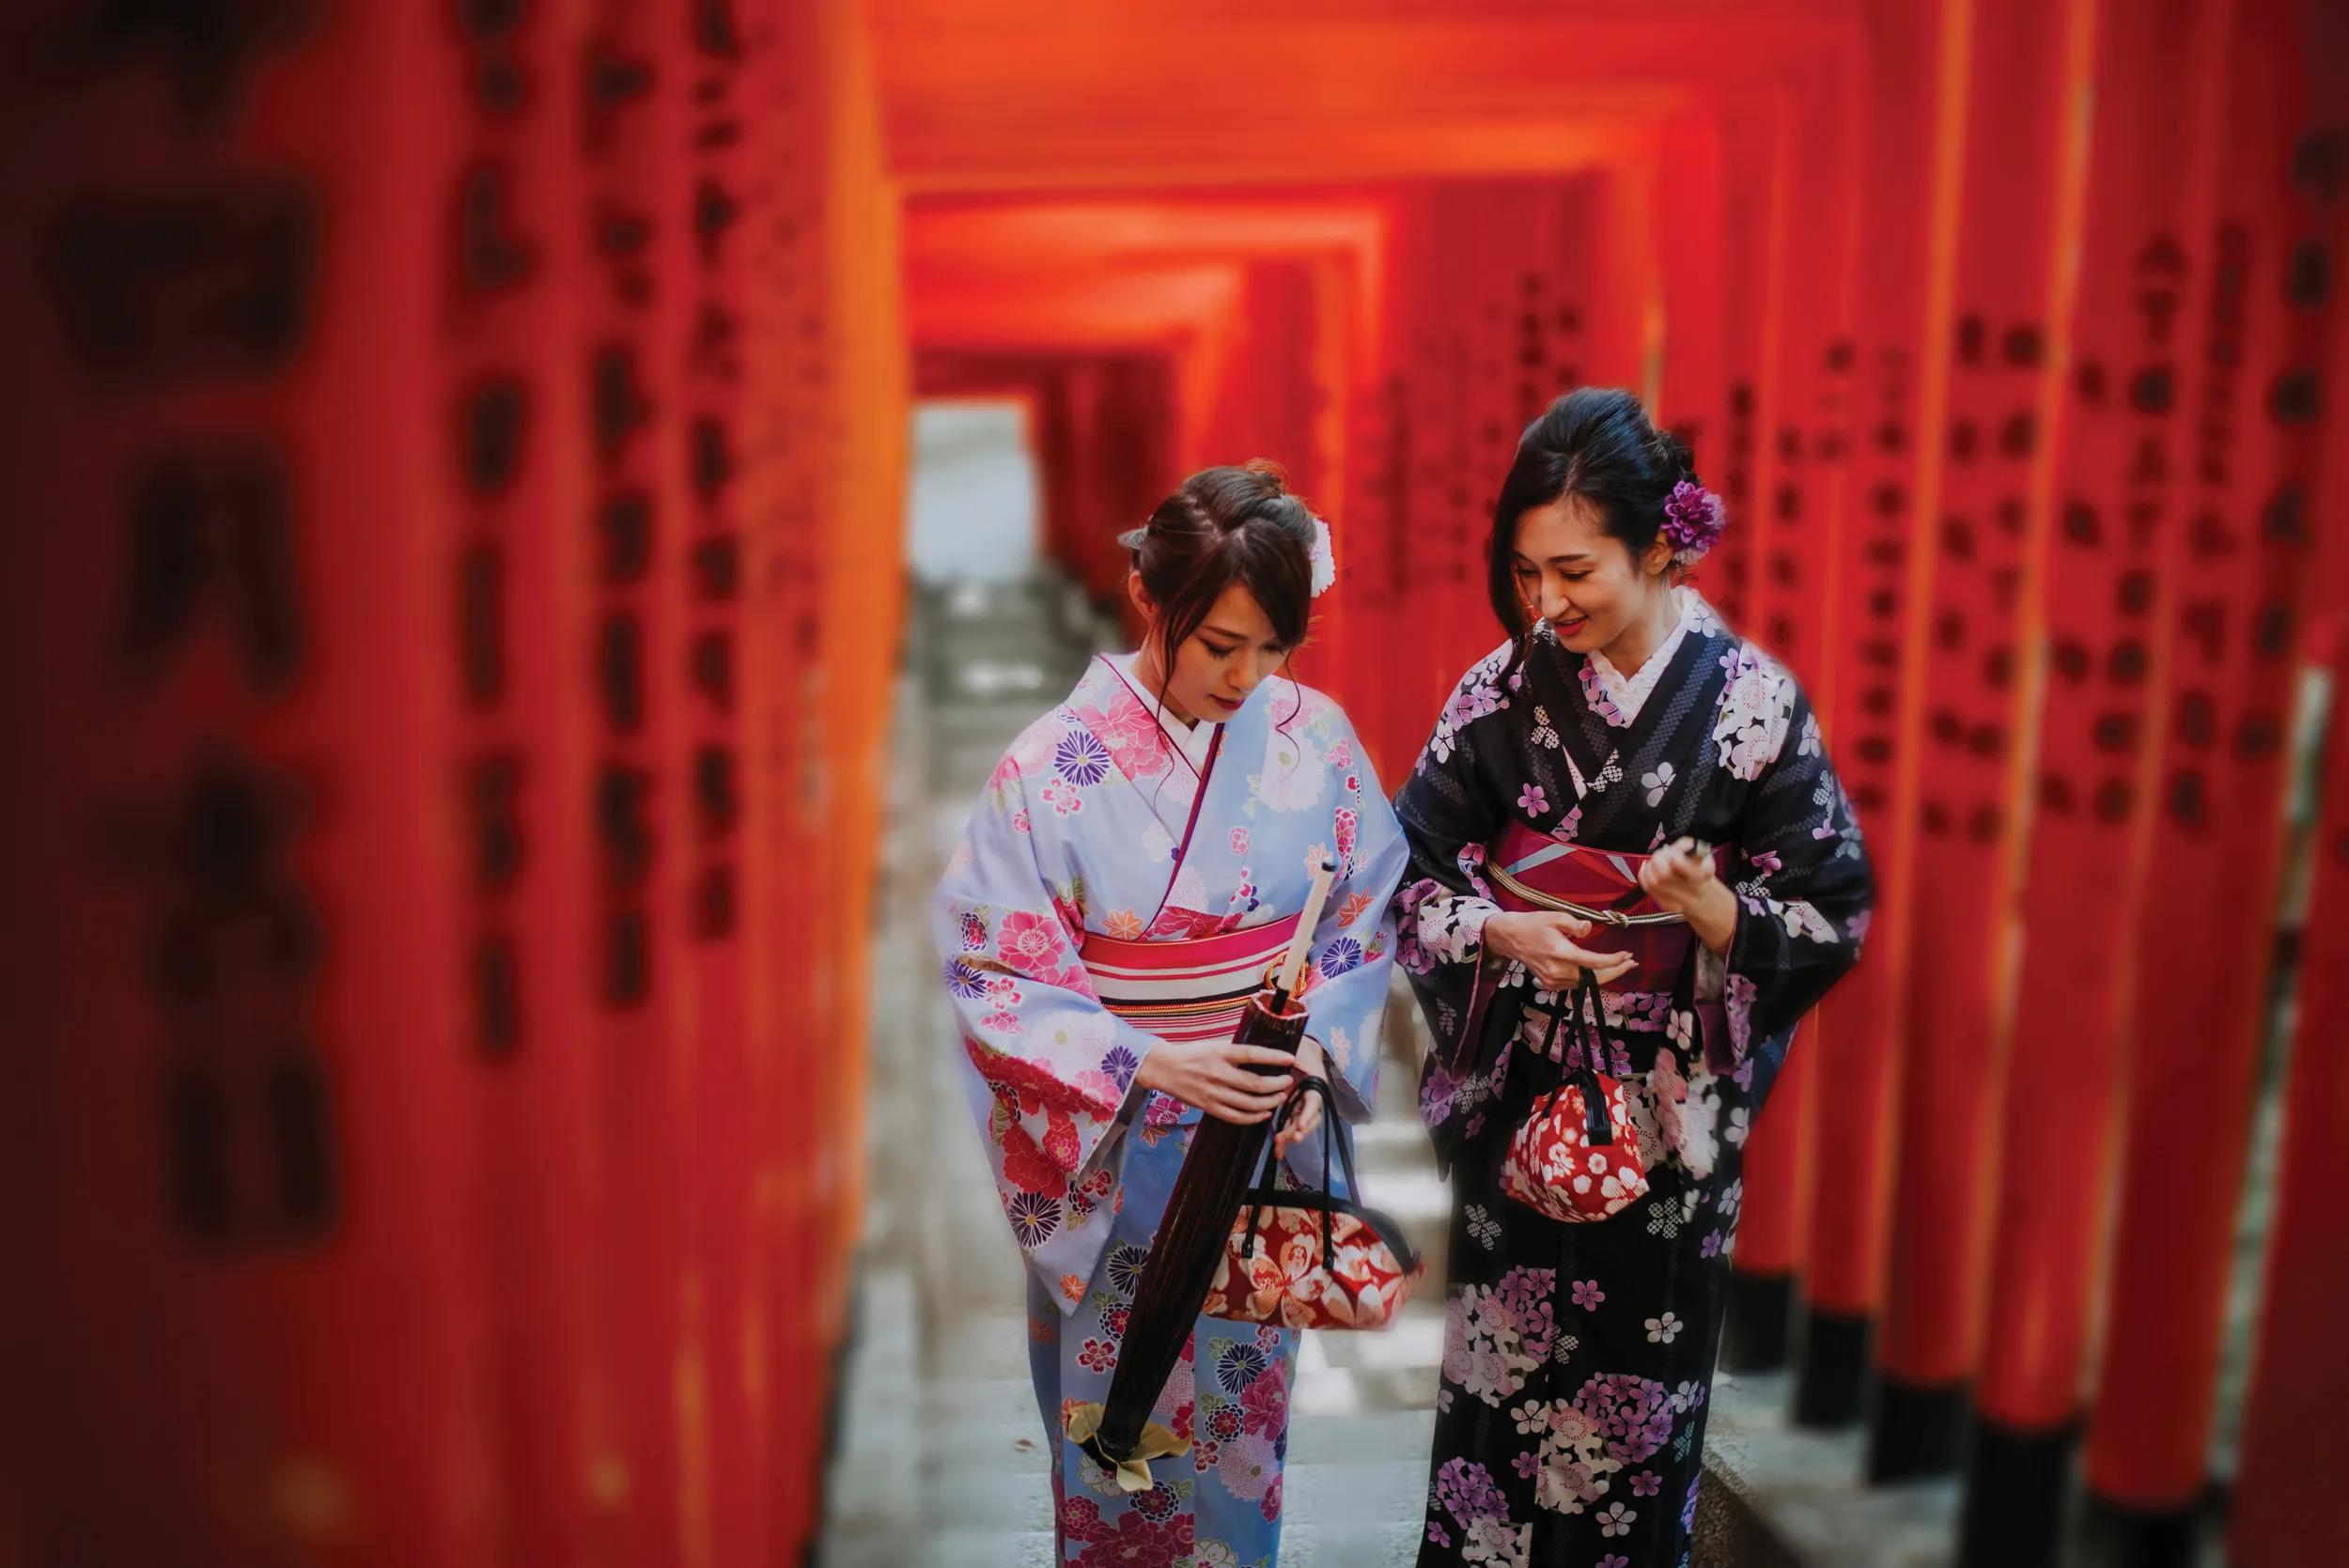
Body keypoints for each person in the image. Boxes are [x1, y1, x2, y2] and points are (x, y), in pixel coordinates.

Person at [1392, 389, 1874, 1566]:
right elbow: (1398, 874)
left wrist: (1717, 910)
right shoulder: (1496, 695)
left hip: (1668, 1112)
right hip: (1522, 1088)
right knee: (1496, 1407)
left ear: (1660, 544)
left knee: (1639, 1411)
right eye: (1522, 572)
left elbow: (1829, 904)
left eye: (1573, 570)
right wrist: (1502, 933)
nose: (1543, 603)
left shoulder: (1751, 706)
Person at [933, 462, 1408, 1566]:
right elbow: (995, 972)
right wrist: (1146, 1058)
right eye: (1218, 645)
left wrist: (1312, 1062)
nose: (1247, 677)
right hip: (1119, 1152)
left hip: (1253, 1144)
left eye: (1272, 650)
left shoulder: (1318, 740)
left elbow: (1363, 911)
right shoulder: (1048, 771)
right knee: (1118, 1436)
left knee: (1242, 1437)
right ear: (1153, 602)